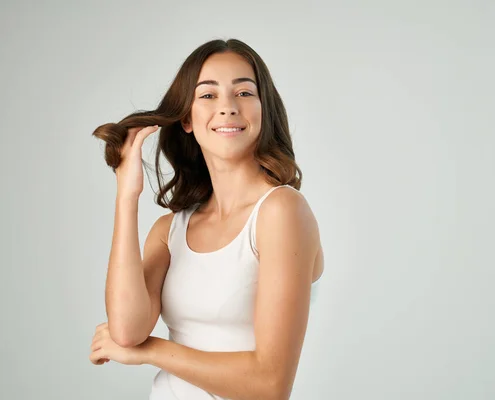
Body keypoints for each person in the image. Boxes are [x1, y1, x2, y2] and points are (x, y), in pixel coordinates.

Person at [88, 38, 325, 400]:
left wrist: (150, 351)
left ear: (264, 110)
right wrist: (127, 197)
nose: (228, 107)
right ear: (186, 117)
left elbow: (270, 384)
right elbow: (125, 331)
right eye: (208, 95)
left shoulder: (281, 212)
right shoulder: (170, 231)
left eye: (244, 93)